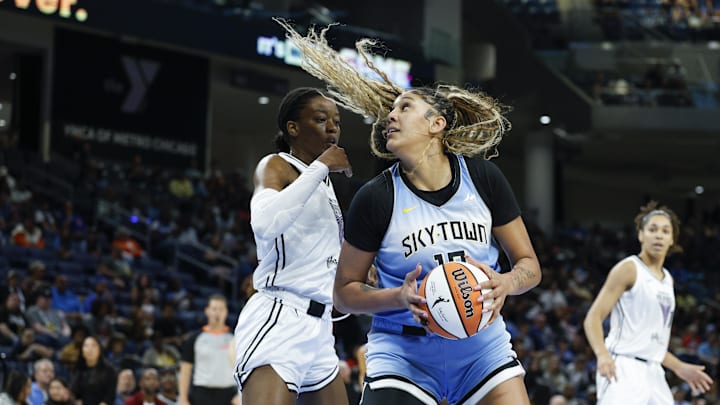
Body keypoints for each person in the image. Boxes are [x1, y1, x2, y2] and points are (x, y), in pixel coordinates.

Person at [276, 19, 543, 405]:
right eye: (392, 111)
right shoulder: (376, 197)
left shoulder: (483, 177)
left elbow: (529, 265)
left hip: (482, 352)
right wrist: (397, 298)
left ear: (436, 124)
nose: (391, 117)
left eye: (405, 107)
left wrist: (506, 283)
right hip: (403, 356)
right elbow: (345, 294)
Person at [231, 86, 352, 405]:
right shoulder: (275, 165)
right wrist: (322, 167)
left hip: (321, 328)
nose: (332, 128)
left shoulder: (323, 183)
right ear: (293, 128)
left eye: (336, 122)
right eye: (321, 119)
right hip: (280, 318)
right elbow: (265, 224)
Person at [583, 201, 714, 404]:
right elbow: (593, 317)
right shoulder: (629, 268)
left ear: (672, 239)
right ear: (641, 235)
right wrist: (602, 355)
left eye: (665, 231)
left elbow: (652, 344)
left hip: (654, 370)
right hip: (622, 366)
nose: (659, 235)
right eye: (652, 229)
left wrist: (679, 366)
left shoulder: (667, 279)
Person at [180, 294, 238, 405]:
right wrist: (183, 399)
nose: (217, 313)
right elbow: (185, 370)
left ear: (226, 312)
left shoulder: (235, 338)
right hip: (202, 394)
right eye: (214, 309)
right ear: (207, 311)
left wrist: (240, 394)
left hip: (230, 394)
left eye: (221, 309)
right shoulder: (195, 338)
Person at [70, 335, 118, 405]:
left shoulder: (109, 370)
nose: (90, 349)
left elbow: (110, 396)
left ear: (99, 349)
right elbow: (74, 392)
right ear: (82, 351)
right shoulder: (79, 369)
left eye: (93, 346)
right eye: (86, 346)